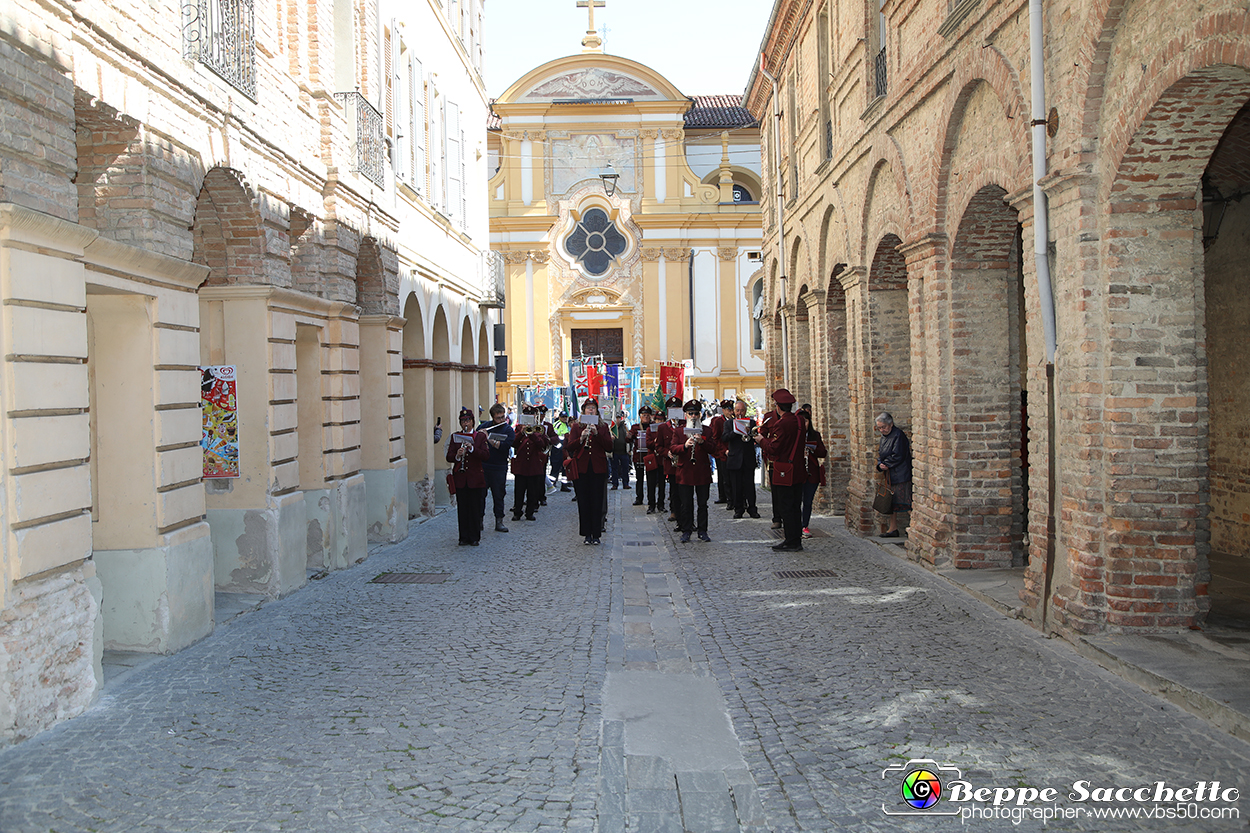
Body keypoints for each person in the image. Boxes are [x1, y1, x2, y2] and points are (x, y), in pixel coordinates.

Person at [757, 389, 806, 552]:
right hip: (798, 469)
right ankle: (795, 538)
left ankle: (791, 540)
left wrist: (761, 440)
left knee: (786, 506)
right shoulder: (799, 421)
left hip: (785, 470)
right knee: (795, 506)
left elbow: (774, 448)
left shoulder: (781, 424)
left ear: (778, 407)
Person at [671, 399, 720, 543]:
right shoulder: (679, 431)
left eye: (696, 414)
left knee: (702, 504)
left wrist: (702, 442)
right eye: (690, 413)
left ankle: (702, 530)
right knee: (686, 504)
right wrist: (684, 446)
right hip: (685, 472)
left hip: (701, 472)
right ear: (685, 415)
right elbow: (673, 448)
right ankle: (686, 530)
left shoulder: (707, 430)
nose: (693, 416)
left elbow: (714, 449)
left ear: (700, 415)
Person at [568, 397, 612, 544]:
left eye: (593, 408)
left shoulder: (603, 427)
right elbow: (569, 447)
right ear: (584, 411)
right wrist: (581, 438)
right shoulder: (576, 427)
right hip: (582, 468)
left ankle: (597, 534)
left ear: (597, 411)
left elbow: (609, 447)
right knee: (584, 501)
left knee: (597, 501)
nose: (591, 410)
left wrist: (597, 434)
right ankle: (586, 534)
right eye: (588, 408)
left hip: (598, 468)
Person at [447, 408, 489, 546]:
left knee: (475, 508)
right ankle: (463, 537)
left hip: (475, 479)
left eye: (468, 420)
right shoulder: (455, 437)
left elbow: (485, 455)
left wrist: (472, 449)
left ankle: (474, 537)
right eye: (463, 421)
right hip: (461, 478)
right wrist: (458, 455)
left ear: (472, 421)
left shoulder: (480, 437)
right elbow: (449, 456)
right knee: (463, 509)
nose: (465, 423)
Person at [477, 403, 515, 533]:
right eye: (498, 418)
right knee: (480, 495)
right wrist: (480, 436)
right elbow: (476, 443)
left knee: (499, 495)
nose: (501, 420)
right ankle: (479, 521)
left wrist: (488, 439)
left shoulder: (508, 430)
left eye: (503, 417)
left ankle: (499, 521)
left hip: (499, 467)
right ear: (493, 417)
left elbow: (504, 447)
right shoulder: (484, 427)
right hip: (484, 466)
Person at [721, 399, 760, 519]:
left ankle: (752, 509)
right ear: (734, 411)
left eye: (742, 410)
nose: (740, 413)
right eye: (737, 410)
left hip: (748, 458)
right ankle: (738, 509)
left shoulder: (751, 422)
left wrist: (749, 433)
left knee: (750, 486)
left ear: (746, 411)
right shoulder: (728, 423)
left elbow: (755, 437)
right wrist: (736, 431)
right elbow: (724, 438)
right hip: (735, 460)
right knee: (736, 487)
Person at [876, 412, 912, 537]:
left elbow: (899, 454)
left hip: (900, 474)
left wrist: (886, 463)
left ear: (891, 424)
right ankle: (893, 528)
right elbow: (881, 453)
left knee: (905, 501)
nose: (882, 430)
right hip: (890, 474)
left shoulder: (898, 435)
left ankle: (915, 526)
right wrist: (880, 464)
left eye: (884, 427)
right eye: (879, 428)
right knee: (892, 502)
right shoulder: (884, 437)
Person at [511, 405, 549, 522]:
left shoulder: (539, 429)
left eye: (531, 415)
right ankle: (517, 511)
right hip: (521, 465)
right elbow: (513, 444)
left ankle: (530, 512)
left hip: (534, 465)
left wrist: (531, 434)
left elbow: (542, 445)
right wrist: (521, 433)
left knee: (532, 491)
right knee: (519, 490)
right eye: (527, 415)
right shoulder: (518, 429)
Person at [797, 404, 828, 538]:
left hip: (811, 473)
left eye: (806, 421)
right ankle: (796, 525)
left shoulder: (815, 435)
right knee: (797, 500)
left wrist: (812, 448)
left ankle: (805, 525)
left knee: (808, 501)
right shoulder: (794, 436)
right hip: (798, 472)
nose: (804, 423)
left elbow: (823, 452)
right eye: (801, 421)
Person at [656, 396, 685, 524]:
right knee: (673, 489)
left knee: (684, 489)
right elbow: (658, 447)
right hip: (671, 463)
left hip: (684, 463)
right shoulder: (663, 427)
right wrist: (666, 453)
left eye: (677, 408)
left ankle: (684, 513)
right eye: (672, 409)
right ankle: (674, 511)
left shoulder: (685, 425)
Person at [628, 406, 659, 509]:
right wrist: (628, 436)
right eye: (644, 415)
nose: (646, 417)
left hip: (650, 455)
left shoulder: (654, 426)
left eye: (647, 415)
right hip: (639, 456)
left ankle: (652, 500)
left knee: (651, 479)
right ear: (640, 417)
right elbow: (628, 439)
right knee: (639, 478)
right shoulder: (635, 427)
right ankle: (639, 497)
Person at [710, 400, 733, 505]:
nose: (730, 412)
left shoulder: (735, 420)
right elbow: (716, 438)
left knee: (731, 476)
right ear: (723, 410)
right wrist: (723, 450)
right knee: (723, 476)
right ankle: (724, 496)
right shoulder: (719, 421)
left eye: (731, 409)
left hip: (733, 452)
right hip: (722, 452)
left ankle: (731, 497)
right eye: (728, 410)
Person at [610, 411, 631, 491]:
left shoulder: (625, 427)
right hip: (614, 451)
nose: (618, 420)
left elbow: (629, 437)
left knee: (625, 468)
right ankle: (615, 484)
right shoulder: (612, 428)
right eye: (616, 418)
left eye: (619, 418)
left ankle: (625, 483)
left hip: (624, 451)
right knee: (614, 468)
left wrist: (630, 449)